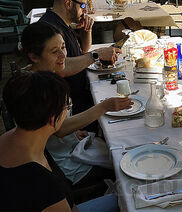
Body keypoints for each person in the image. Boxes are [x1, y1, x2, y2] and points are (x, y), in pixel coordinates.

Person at [20, 22, 133, 190]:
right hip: (63, 167)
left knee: (119, 145)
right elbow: (60, 129)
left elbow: (53, 126)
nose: (62, 56)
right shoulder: (38, 88)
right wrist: (104, 107)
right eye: (54, 51)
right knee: (125, 166)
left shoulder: (39, 73)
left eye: (63, 47)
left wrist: (73, 131)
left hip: (64, 147)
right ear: (34, 56)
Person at [0, 71, 120, 211]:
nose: (67, 111)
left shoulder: (8, 138)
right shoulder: (42, 182)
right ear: (53, 118)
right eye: (67, 107)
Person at [39, 0, 120, 132]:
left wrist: (87, 30)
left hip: (79, 95)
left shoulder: (62, 22)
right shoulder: (50, 29)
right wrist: (98, 54)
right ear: (68, 3)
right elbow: (60, 68)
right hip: (71, 105)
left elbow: (83, 49)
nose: (85, 10)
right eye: (82, 6)